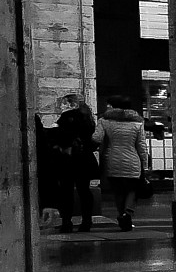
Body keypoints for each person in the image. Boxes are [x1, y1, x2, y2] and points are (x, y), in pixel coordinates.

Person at [95, 94, 151, 231]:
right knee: (132, 189)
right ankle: (127, 213)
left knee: (118, 191)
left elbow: (96, 138)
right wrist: (145, 165)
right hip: (133, 161)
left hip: (112, 159)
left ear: (112, 106)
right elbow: (142, 146)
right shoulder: (137, 122)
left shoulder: (104, 121)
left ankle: (122, 216)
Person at [53, 93, 100, 230]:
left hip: (69, 159)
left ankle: (67, 222)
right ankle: (87, 221)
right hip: (85, 158)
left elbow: (61, 137)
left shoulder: (67, 117)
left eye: (63, 103)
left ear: (71, 104)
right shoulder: (88, 118)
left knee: (66, 191)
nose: (61, 106)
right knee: (84, 190)